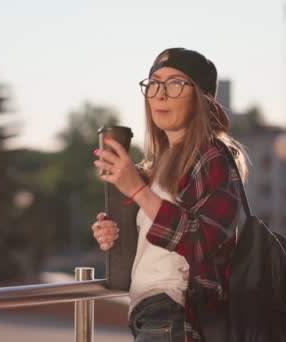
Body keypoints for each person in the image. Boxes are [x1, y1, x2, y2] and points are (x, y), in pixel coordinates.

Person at [91, 47, 248, 342]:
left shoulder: (213, 155)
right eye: (153, 84)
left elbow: (203, 241)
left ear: (202, 99)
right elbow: (160, 242)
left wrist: (137, 190)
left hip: (178, 314)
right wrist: (113, 234)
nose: (160, 94)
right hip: (148, 313)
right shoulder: (158, 164)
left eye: (176, 83)